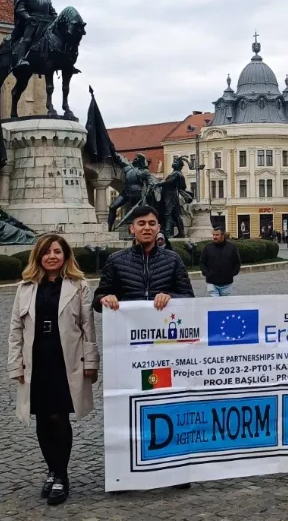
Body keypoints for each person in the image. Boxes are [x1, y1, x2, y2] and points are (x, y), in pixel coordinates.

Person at [93, 205, 194, 489]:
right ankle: (126, 469)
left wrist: (170, 297)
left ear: (159, 228)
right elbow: (98, 297)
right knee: (128, 405)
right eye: (141, 223)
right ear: (132, 229)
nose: (147, 227)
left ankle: (174, 466)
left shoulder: (173, 260)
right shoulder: (116, 261)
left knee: (167, 404)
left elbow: (188, 297)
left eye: (152, 222)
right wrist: (107, 299)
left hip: (165, 351)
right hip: (128, 352)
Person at [8, 234, 98, 506]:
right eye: (46, 252)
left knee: (60, 417)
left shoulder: (79, 285)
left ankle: (61, 475)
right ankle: (51, 470)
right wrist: (15, 364)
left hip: (65, 359)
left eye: (57, 251)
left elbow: (87, 328)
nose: (52, 256)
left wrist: (91, 362)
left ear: (65, 256)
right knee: (43, 418)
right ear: (38, 256)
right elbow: (15, 329)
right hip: (36, 358)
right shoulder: (25, 287)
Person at [199, 227, 241, 296]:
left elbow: (237, 263)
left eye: (217, 235)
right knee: (215, 304)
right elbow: (202, 262)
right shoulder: (208, 247)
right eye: (214, 235)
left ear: (223, 235)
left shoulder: (231, 248)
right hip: (212, 282)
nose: (215, 237)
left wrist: (231, 273)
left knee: (225, 305)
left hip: (227, 283)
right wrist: (206, 273)